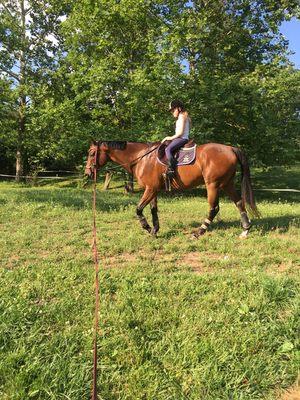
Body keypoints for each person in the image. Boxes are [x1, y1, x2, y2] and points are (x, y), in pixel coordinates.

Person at [162, 100, 191, 178]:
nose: (172, 112)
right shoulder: (183, 116)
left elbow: (180, 133)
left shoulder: (182, 117)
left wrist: (169, 137)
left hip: (181, 138)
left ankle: (172, 169)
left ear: (179, 108)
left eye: (173, 110)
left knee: (167, 149)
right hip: (181, 138)